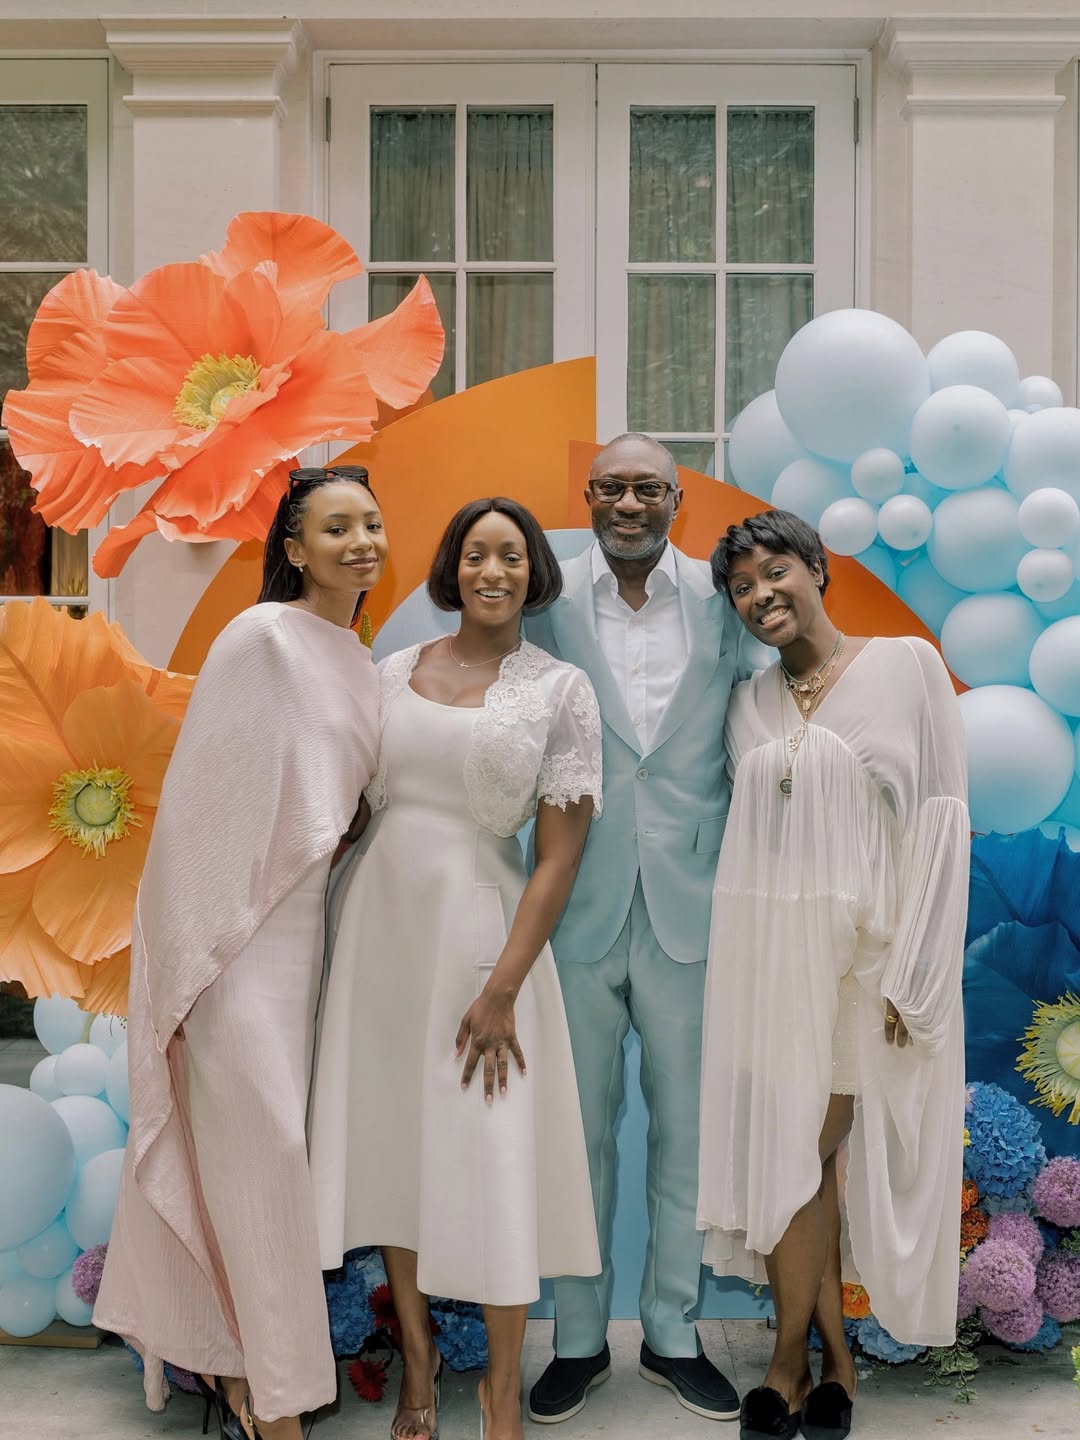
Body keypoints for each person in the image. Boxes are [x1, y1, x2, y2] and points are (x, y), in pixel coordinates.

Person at [94, 465, 388, 1440]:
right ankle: (278, 1400)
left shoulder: (354, 654)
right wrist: (190, 959)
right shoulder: (258, 637)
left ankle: (235, 1367)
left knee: (267, 1166)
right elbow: (202, 808)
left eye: (370, 525)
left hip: (308, 943)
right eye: (335, 526)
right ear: (294, 549)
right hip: (233, 947)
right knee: (269, 1152)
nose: (359, 541)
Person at [308, 497, 602, 1440]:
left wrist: (504, 986)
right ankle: (421, 1367)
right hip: (381, 938)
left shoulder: (561, 691)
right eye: (476, 553)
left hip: (486, 945)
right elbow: (344, 802)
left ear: (533, 574)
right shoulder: (389, 671)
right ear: (451, 565)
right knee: (396, 1146)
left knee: (492, 1153)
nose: (492, 571)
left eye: (511, 556)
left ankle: (503, 1391)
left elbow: (557, 856)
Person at [697, 510, 969, 1440]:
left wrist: (919, 974)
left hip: (870, 965)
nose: (760, 595)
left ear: (817, 569)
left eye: (776, 572)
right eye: (741, 587)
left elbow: (940, 816)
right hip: (775, 969)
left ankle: (790, 1360)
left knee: (807, 1147)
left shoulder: (905, 666)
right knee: (798, 1156)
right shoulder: (747, 704)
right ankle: (830, 1362)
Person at [525, 434, 746, 1425]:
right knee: (574, 1131)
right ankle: (576, 1340)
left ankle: (671, 1333)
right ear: (587, 497)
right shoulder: (542, 595)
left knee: (685, 1135)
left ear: (675, 498)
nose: (628, 501)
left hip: (693, 904)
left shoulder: (726, 596)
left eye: (646, 487)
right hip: (571, 900)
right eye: (611, 486)